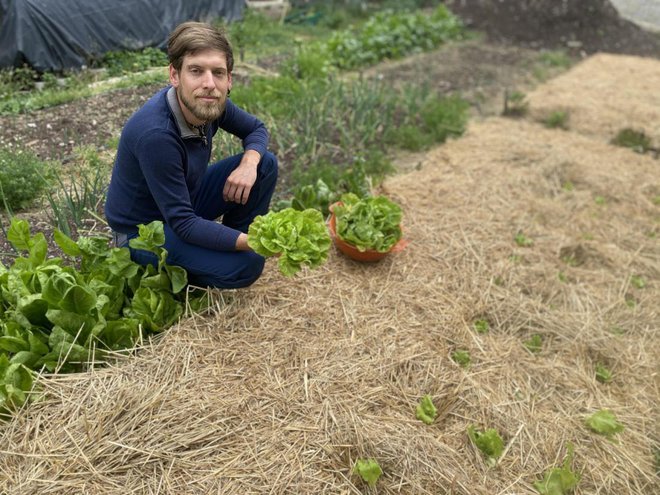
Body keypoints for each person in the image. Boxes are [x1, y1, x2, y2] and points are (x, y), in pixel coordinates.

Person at [105, 21, 278, 289]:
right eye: (196, 71)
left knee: (264, 164)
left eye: (218, 72)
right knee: (247, 265)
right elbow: (184, 223)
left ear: (229, 79)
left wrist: (249, 163)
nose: (209, 83)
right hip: (143, 232)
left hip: (182, 202)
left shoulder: (211, 104)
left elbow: (256, 129)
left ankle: (226, 245)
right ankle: (187, 271)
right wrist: (254, 242)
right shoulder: (157, 134)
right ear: (175, 75)